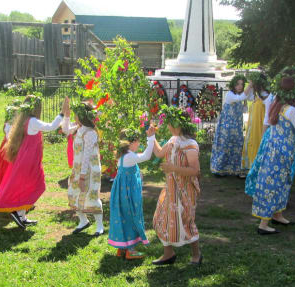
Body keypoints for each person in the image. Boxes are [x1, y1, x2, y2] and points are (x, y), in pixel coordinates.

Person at [249, 75, 295, 235]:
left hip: (273, 149)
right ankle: (264, 224)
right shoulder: (291, 110)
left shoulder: (277, 104)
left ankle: (277, 214)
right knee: (275, 183)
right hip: (283, 152)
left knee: (279, 181)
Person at [0, 95, 67, 229]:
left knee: (26, 186)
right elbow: (51, 127)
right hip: (29, 162)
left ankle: (22, 216)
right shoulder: (32, 121)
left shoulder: (22, 120)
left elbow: (9, 135)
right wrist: (62, 113)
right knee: (39, 186)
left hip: (24, 160)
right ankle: (17, 212)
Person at [246, 66, 295, 197]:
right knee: (285, 169)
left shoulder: (274, 96)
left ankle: (262, 191)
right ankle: (278, 196)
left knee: (266, 165)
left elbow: (267, 119)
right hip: (289, 137)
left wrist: (264, 137)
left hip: (271, 134)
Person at [152, 105, 202, 265]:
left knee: (185, 221)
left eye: (171, 123)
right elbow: (160, 153)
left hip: (185, 191)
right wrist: (151, 137)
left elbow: (195, 170)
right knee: (162, 218)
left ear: (180, 125)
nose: (169, 126)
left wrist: (173, 168)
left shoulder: (190, 144)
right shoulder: (173, 140)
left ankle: (197, 255)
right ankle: (168, 254)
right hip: (171, 189)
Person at [108, 127, 155, 259]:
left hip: (120, 192)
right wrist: (151, 139)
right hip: (129, 193)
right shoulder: (130, 156)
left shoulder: (122, 155)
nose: (139, 144)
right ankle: (130, 250)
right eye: (138, 141)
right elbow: (146, 156)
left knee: (123, 216)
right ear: (130, 142)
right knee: (131, 215)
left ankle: (121, 249)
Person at [62, 99, 104, 236]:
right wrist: (66, 115)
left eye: (75, 115)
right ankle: (83, 221)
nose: (74, 117)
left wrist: (83, 175)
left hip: (90, 170)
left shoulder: (90, 133)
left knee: (91, 194)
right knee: (73, 193)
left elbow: (86, 156)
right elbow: (65, 130)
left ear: (82, 116)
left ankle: (99, 226)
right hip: (78, 168)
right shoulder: (79, 129)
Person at [210, 75, 254, 176]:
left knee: (237, 147)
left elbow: (251, 97)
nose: (240, 86)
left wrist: (252, 87)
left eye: (242, 84)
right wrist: (250, 86)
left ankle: (235, 169)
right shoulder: (230, 95)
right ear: (233, 84)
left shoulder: (241, 95)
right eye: (237, 84)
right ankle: (219, 169)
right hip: (227, 126)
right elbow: (241, 97)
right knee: (224, 146)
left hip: (237, 126)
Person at [0, 100, 22, 199]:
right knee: (6, 171)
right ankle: (5, 195)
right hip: (9, 149)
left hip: (7, 147)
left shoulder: (8, 124)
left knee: (9, 172)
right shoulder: (10, 125)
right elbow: (10, 137)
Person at [241, 72, 269, 175]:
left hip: (260, 125)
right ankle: (251, 167)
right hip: (254, 124)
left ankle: (256, 167)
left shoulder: (266, 97)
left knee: (257, 142)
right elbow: (246, 96)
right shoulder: (258, 96)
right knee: (252, 141)